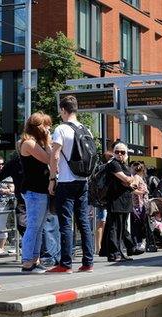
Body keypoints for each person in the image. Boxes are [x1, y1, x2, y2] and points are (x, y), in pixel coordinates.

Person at [47, 96, 95, 273]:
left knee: (66, 222)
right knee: (83, 221)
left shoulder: (61, 129)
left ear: (63, 110)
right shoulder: (86, 129)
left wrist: (52, 178)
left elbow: (55, 155)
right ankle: (88, 262)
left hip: (66, 181)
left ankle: (65, 264)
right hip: (83, 180)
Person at [19, 112, 53, 274]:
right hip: (34, 191)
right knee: (33, 226)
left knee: (38, 228)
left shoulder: (35, 142)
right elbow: (49, 159)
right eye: (46, 126)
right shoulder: (28, 143)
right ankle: (27, 262)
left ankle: (35, 259)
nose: (48, 129)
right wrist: (48, 140)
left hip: (40, 190)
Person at [99, 143, 139, 262]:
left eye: (122, 152)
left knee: (120, 227)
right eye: (117, 152)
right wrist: (131, 179)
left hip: (124, 200)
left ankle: (115, 251)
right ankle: (114, 253)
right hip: (115, 200)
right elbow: (127, 179)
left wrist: (130, 181)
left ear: (126, 154)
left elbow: (132, 184)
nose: (120, 154)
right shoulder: (114, 164)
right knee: (115, 227)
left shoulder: (123, 165)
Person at [0, 153, 26, 241]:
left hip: (37, 197)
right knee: (21, 224)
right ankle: (30, 248)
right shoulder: (14, 162)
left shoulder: (38, 156)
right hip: (22, 200)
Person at [0, 156, 14, 263]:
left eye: (2, 164)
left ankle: (1, 247)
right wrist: (4, 190)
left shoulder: (7, 176)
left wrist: (4, 190)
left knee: (0, 225)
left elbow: (12, 189)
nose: (1, 166)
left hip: (3, 203)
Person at [94, 150, 113, 253]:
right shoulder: (106, 168)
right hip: (104, 199)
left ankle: (100, 246)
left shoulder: (100, 168)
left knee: (102, 221)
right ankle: (99, 247)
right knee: (102, 221)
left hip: (102, 198)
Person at [130, 161, 149, 252]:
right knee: (138, 225)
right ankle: (138, 243)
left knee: (138, 225)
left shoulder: (138, 177)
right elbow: (132, 188)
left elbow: (132, 188)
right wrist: (142, 192)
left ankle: (138, 243)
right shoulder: (137, 177)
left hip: (139, 205)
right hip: (138, 205)